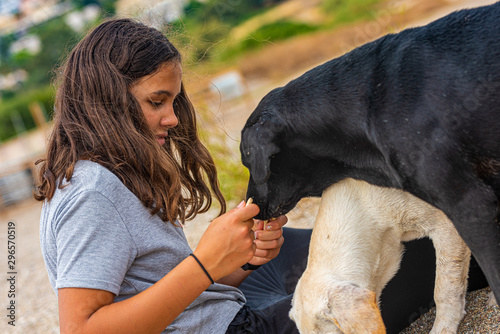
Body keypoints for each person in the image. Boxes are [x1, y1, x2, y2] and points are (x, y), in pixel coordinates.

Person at [35, 18, 488, 334]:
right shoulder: (92, 194)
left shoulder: (112, 174)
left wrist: (240, 262)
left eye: (174, 102)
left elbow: (163, 294)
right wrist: (205, 263)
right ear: (105, 100)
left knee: (339, 249)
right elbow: (83, 328)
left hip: (217, 308)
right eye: (157, 102)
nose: (172, 118)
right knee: (427, 257)